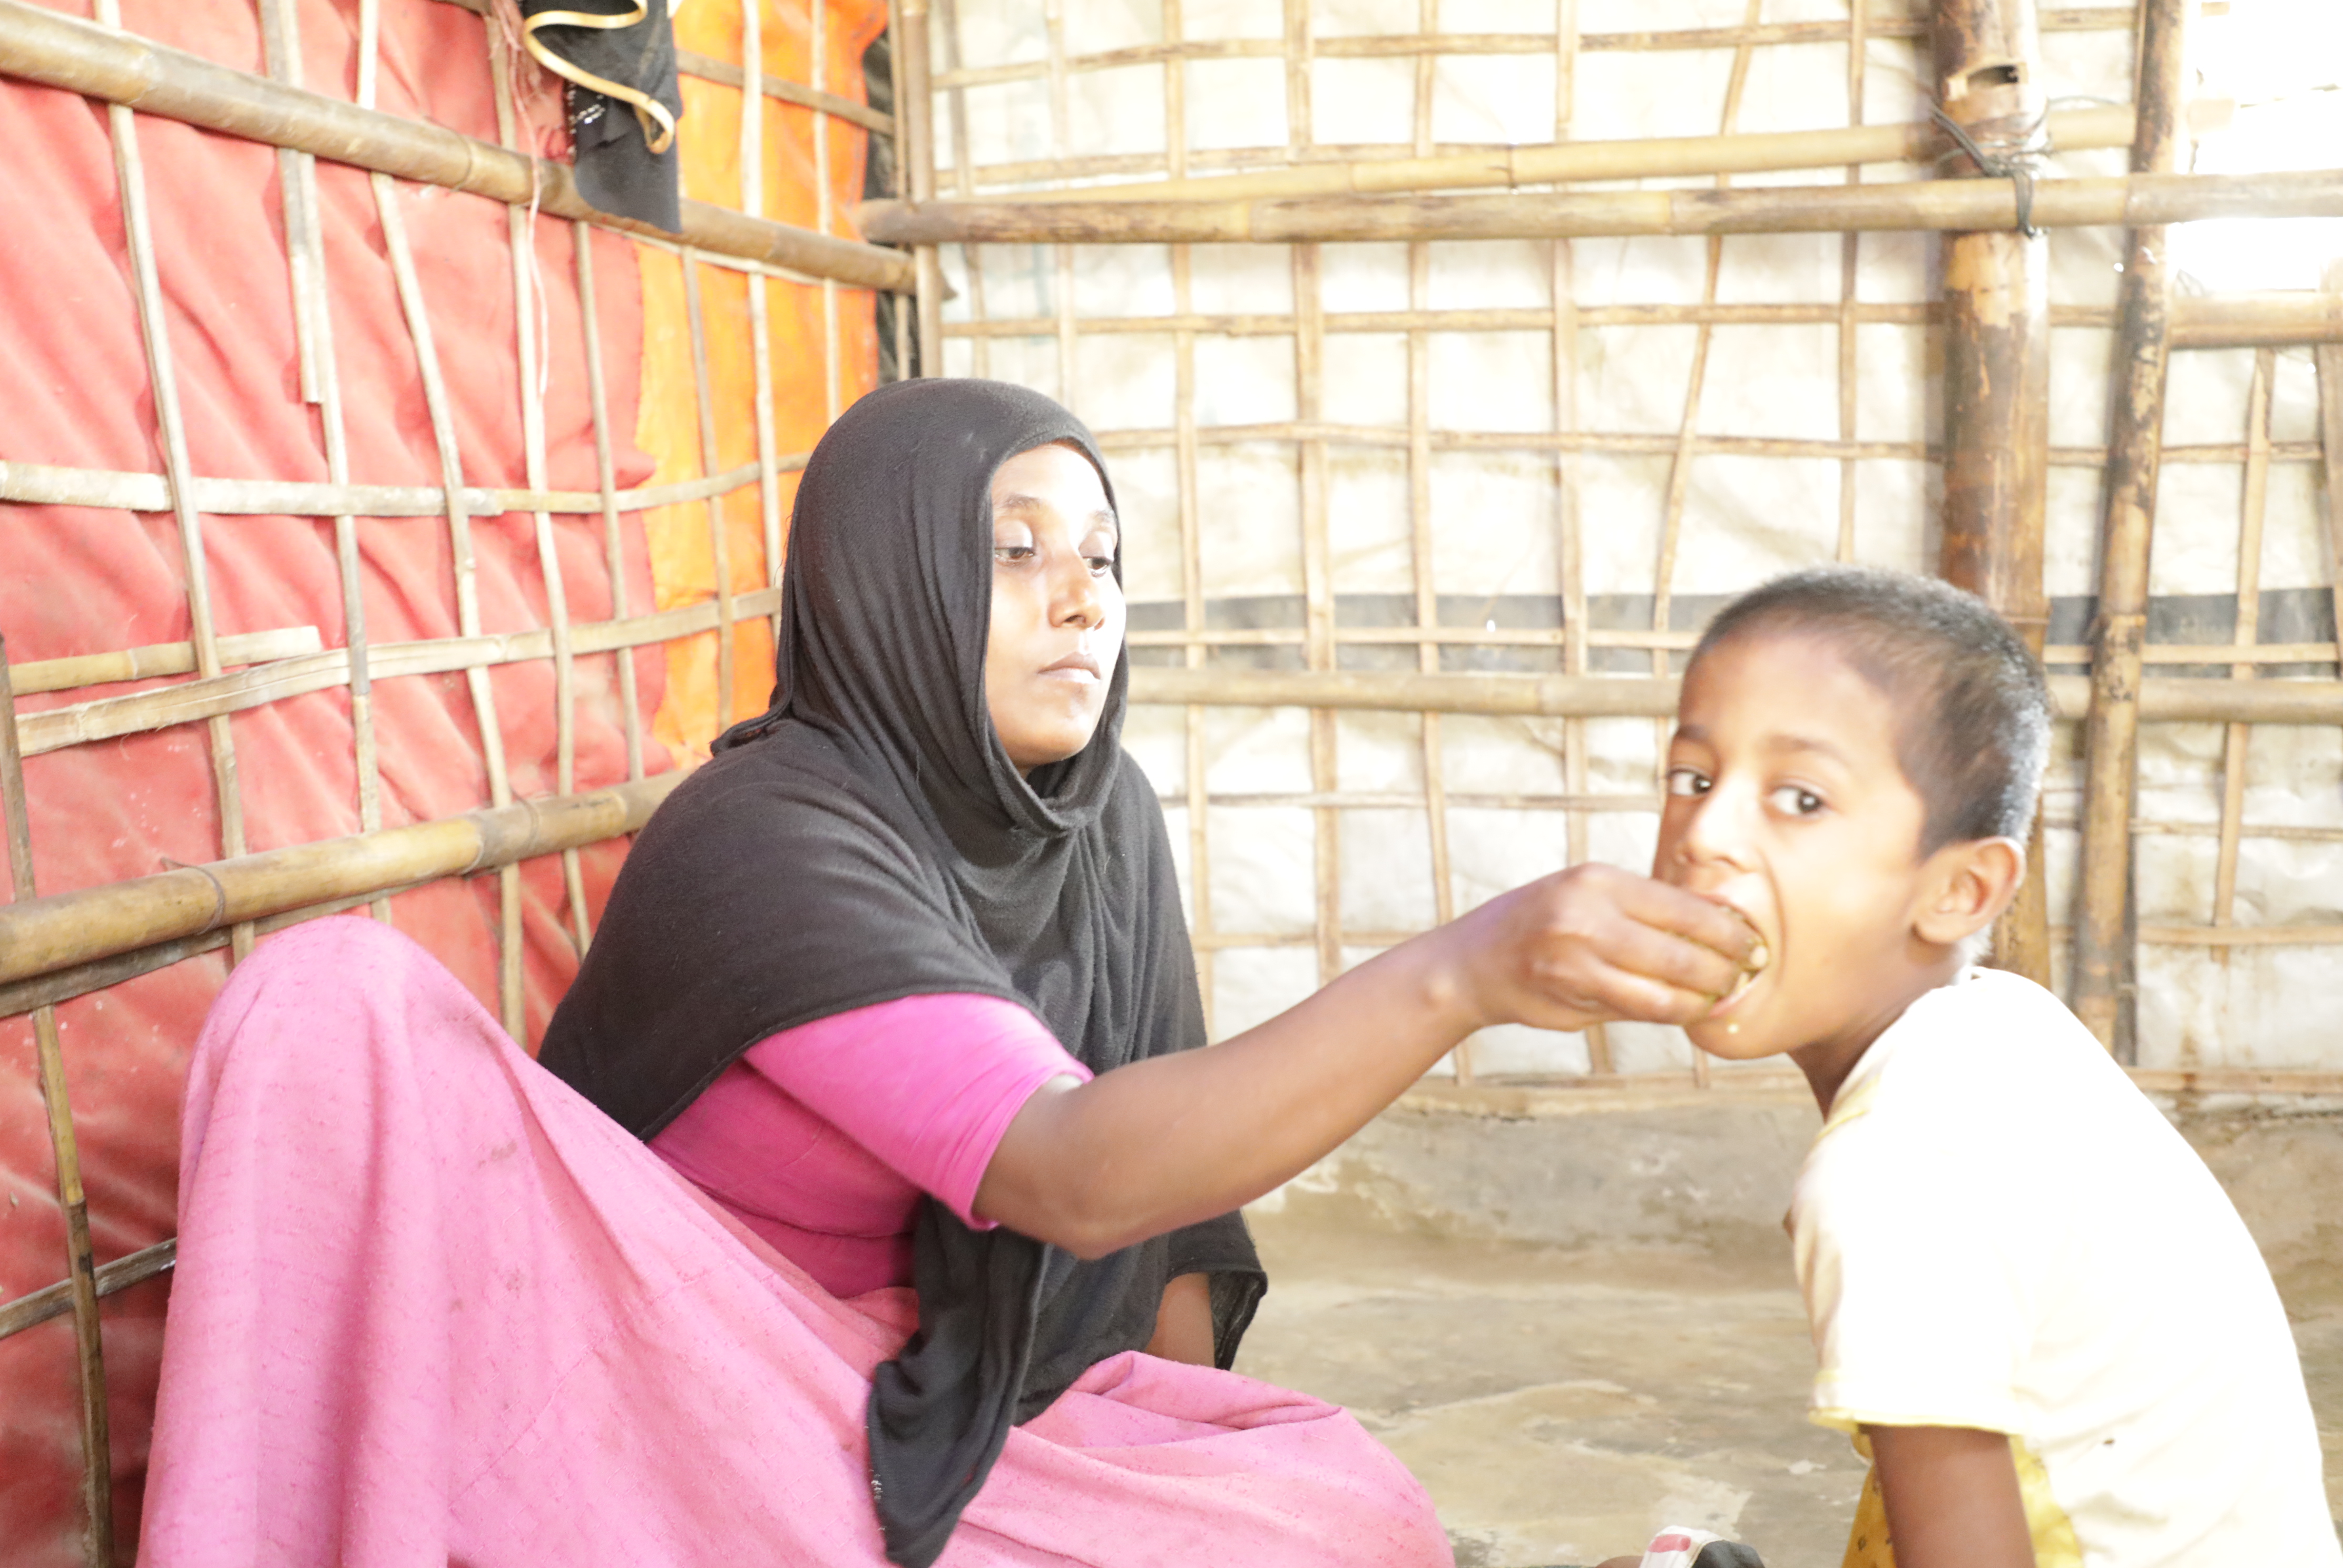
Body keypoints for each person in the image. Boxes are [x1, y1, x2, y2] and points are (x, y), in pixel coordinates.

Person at [142, 378, 1758, 1568]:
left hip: (909, 1383)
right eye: (1016, 551)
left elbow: (1171, 1223)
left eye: (1106, 557)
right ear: (887, 576)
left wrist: (1138, 1474)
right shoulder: (770, 834)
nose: (1084, 599)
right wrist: (1460, 976)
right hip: (653, 1383)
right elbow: (1071, 1171)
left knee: (1327, 1508)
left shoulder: (1094, 818)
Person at [1651, 565, 2339, 1567]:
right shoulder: (2005, 1025)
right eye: (1693, 779)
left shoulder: (1892, 1177)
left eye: (1800, 799)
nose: (1704, 836)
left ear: (1962, 888)